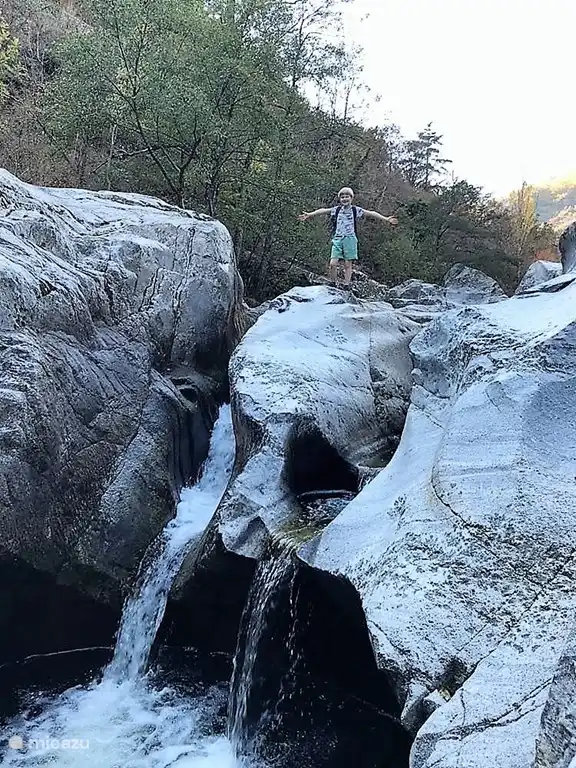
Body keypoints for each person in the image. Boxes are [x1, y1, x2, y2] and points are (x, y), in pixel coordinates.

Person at [298, 187, 398, 287]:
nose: (344, 199)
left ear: (351, 198)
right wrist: (310, 214)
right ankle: (333, 283)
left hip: (350, 239)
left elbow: (371, 213)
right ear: (340, 199)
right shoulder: (336, 210)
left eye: (347, 197)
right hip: (337, 239)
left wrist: (386, 219)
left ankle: (346, 284)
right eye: (342, 197)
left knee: (347, 264)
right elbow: (323, 210)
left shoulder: (355, 210)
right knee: (333, 263)